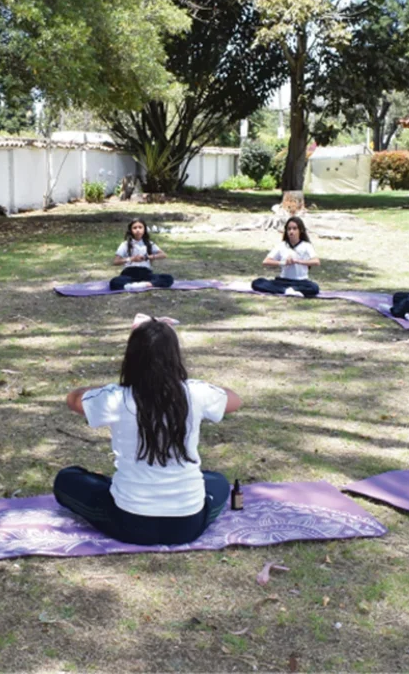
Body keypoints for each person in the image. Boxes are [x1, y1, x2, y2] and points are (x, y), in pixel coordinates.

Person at [53, 319, 242, 545]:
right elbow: (234, 400)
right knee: (218, 481)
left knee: (67, 479)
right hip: (188, 523)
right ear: (175, 356)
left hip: (129, 521)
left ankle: (112, 485)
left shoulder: (116, 397)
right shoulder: (195, 392)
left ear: (131, 357)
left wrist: (100, 390)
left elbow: (73, 399)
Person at [252, 216, 321, 297]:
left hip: (301, 282)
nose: (291, 231)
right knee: (257, 282)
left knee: (314, 288)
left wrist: (297, 261)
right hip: (283, 281)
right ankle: (286, 290)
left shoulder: (306, 246)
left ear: (300, 230)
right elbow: (266, 261)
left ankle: (292, 290)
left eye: (294, 229)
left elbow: (316, 262)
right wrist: (283, 263)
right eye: (289, 229)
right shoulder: (282, 245)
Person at [109, 218, 174, 291]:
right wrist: (132, 259)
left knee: (168, 278)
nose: (137, 230)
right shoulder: (125, 244)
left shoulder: (149, 243)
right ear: (130, 230)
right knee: (114, 282)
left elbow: (163, 255)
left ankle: (141, 285)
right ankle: (139, 285)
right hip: (129, 273)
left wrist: (149, 257)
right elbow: (115, 261)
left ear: (144, 229)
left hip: (145, 273)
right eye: (134, 228)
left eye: (140, 227)